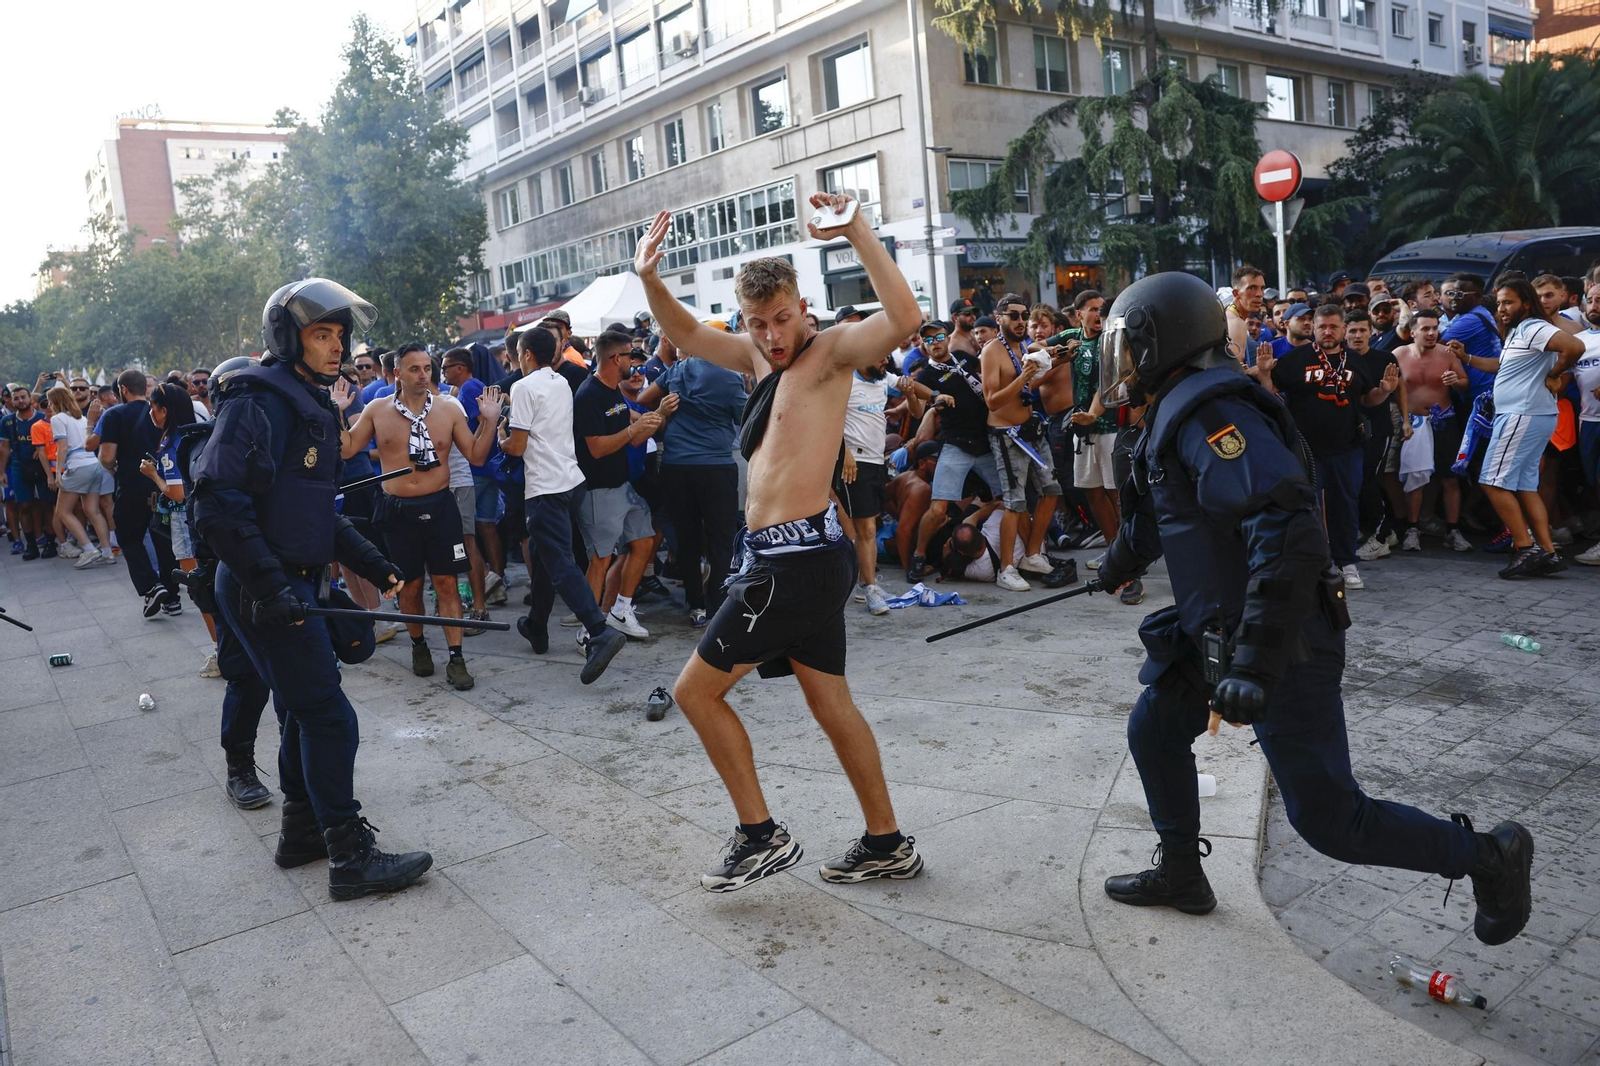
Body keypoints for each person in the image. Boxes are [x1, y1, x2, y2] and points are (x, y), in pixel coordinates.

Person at [1088, 270, 1535, 948]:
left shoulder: (1216, 412)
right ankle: (1182, 873)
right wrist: (1115, 564)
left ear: (1162, 343)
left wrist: (1257, 665)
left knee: (1331, 822)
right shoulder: (1178, 405)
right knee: (1154, 730)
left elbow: (1288, 531)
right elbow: (1160, 511)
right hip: (1221, 628)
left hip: (1282, 635)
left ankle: (1489, 857)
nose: (1118, 364)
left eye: (1127, 348)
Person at [635, 191, 926, 891]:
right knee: (831, 704)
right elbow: (687, 332)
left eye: (782, 319)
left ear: (804, 308)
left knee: (695, 694)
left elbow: (906, 319)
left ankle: (760, 837)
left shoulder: (828, 355)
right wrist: (649, 278)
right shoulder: (757, 359)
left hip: (793, 565)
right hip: (793, 559)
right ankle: (887, 842)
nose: (770, 335)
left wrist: (856, 230)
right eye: (758, 323)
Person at [191, 277, 433, 901]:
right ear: (287, 337)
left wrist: (377, 566)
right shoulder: (258, 401)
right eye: (320, 334)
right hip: (260, 587)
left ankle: (301, 832)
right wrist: (271, 587)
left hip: (293, 581)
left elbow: (317, 512)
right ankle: (349, 857)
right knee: (330, 718)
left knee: (306, 709)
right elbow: (216, 504)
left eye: (338, 335)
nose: (335, 347)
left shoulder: (313, 404)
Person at [340, 345, 502, 690]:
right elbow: (348, 449)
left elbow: (476, 454)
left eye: (427, 368)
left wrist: (488, 420)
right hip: (397, 511)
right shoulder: (377, 410)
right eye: (414, 369)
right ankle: (418, 646)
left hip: (440, 507)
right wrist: (337, 412)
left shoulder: (448, 409)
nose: (423, 375)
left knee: (445, 583)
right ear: (397, 373)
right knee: (409, 586)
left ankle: (456, 658)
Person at [501, 326, 630, 679]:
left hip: (545, 487)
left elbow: (517, 446)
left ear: (525, 355)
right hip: (570, 480)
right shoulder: (559, 380)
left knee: (559, 562)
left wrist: (499, 436)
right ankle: (536, 625)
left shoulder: (523, 387)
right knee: (545, 559)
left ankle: (599, 632)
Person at [1270, 304, 1393, 589]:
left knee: (1345, 506)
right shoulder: (1297, 359)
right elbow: (1271, 391)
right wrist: (1264, 373)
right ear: (1313, 328)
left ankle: (1346, 562)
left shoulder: (1355, 360)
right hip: (1305, 449)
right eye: (1322, 326)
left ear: (1343, 330)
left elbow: (1366, 399)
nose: (1328, 331)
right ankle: (1311, 563)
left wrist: (1384, 391)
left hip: (1346, 446)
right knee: (1305, 507)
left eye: (1334, 326)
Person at [1478, 278, 1587, 577]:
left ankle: (1526, 548)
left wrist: (1555, 373)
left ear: (1526, 303)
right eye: (1499, 303)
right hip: (1529, 415)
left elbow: (1574, 346)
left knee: (1492, 481)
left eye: (1508, 302)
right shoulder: (1518, 331)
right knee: (1526, 486)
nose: (1501, 308)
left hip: (1521, 415)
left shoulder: (1532, 327)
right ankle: (1547, 552)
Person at [639, 335, 749, 628]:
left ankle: (696, 606)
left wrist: (665, 411)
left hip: (676, 467)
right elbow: (746, 418)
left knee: (686, 541)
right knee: (721, 541)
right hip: (716, 467)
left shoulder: (678, 370)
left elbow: (642, 399)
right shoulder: (729, 377)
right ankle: (718, 606)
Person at [572, 330, 664, 639]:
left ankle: (621, 611)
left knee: (644, 542)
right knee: (599, 560)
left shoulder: (613, 391)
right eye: (629, 356)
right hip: (598, 490)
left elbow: (629, 417)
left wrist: (653, 417)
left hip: (623, 486)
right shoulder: (589, 394)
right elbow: (596, 448)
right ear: (615, 358)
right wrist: (633, 431)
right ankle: (587, 630)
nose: (634, 363)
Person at [906, 320, 1002, 582]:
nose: (934, 342)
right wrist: (929, 397)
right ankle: (919, 556)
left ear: (947, 337)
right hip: (956, 444)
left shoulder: (962, 357)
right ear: (923, 346)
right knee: (938, 510)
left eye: (938, 336)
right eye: (928, 340)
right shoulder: (925, 375)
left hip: (985, 443)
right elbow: (917, 403)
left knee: (1011, 499)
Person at [980, 292, 1064, 591]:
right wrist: (1023, 376)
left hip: (1030, 429)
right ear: (998, 317)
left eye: (1022, 315)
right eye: (1012, 315)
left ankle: (1031, 553)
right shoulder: (992, 351)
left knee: (1052, 490)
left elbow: (1028, 384)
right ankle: (1006, 568)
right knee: (1015, 503)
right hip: (1007, 435)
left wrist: (1059, 358)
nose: (1019, 321)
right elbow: (991, 400)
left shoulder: (1024, 347)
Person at [98, 369, 179, 612]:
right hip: (163, 483)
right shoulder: (161, 410)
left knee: (129, 538)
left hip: (132, 484)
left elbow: (107, 457)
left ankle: (151, 587)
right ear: (146, 387)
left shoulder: (114, 415)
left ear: (122, 390)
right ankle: (173, 598)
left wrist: (113, 466)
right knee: (163, 540)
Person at [1396, 311, 1473, 551]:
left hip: (1444, 420)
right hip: (1413, 422)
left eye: (1434, 328)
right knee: (1415, 478)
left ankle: (1452, 529)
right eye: (1426, 329)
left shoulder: (1447, 353)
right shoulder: (1398, 355)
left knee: (1450, 478)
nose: (1432, 333)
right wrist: (1404, 419)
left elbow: (1464, 383)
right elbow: (1392, 389)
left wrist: (1455, 381)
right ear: (1413, 332)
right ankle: (1412, 528)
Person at [42, 384, 116, 568]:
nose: (48, 405)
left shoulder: (58, 418)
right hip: (92, 464)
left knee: (62, 511)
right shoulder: (81, 419)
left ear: (55, 402)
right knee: (93, 510)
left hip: (76, 467)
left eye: (50, 401)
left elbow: (63, 447)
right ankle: (107, 552)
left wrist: (58, 472)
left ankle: (88, 548)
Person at [1, 383, 54, 559]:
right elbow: (4, 448)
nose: (20, 400)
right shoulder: (7, 421)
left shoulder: (42, 417)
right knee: (23, 505)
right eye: (16, 398)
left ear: (30, 399)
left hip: (43, 466)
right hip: (18, 465)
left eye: (23, 397)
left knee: (47, 504)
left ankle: (50, 542)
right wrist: (1, 471)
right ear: (11, 401)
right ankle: (30, 545)